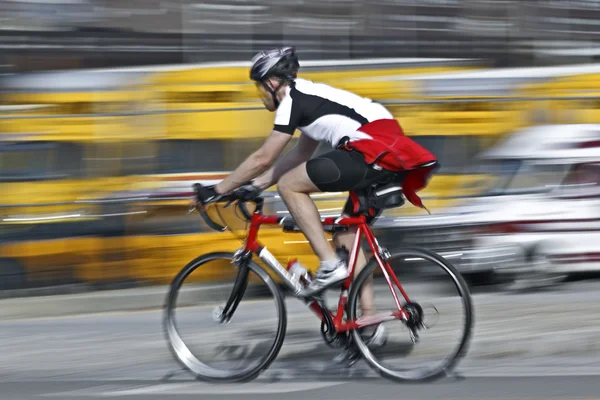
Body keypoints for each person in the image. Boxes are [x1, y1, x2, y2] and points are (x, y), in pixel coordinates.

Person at [195, 47, 438, 362]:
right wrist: (252, 187)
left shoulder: (292, 100)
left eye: (259, 86)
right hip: (384, 151)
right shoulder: (308, 100)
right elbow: (298, 156)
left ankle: (329, 265)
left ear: (273, 82)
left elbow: (264, 157)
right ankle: (369, 326)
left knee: (290, 186)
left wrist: (217, 189)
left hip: (370, 147)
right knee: (347, 236)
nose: (259, 94)